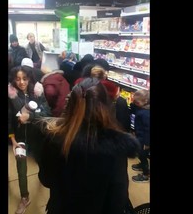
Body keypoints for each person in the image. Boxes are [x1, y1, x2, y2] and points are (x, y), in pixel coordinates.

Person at [37, 77, 140, 214]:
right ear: (106, 105)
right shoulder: (116, 146)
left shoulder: (54, 138)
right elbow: (118, 196)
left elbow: (46, 180)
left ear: (71, 104)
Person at [8, 65, 51, 214]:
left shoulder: (37, 92)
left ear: (29, 78)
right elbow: (8, 119)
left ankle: (48, 187)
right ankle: (24, 197)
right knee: (21, 169)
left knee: (44, 164)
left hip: (37, 136)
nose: (21, 82)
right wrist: (12, 140)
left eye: (24, 78)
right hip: (20, 138)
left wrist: (30, 116)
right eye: (18, 79)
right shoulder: (11, 95)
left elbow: (47, 113)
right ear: (13, 80)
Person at [130, 89, 150, 183]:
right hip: (140, 136)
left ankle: (146, 174)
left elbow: (148, 130)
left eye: (136, 102)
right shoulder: (141, 109)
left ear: (145, 102)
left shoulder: (145, 114)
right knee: (140, 153)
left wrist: (147, 143)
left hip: (145, 140)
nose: (135, 103)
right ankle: (142, 165)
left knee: (142, 155)